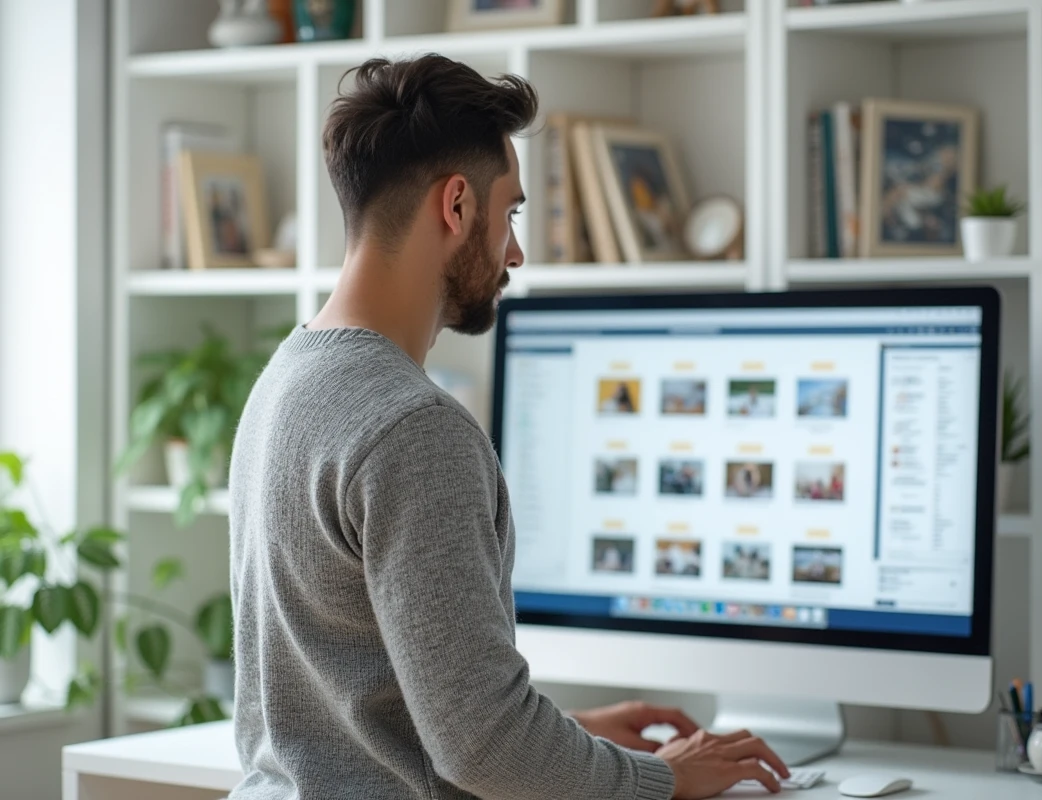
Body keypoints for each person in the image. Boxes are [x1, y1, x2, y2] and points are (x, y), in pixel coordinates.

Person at [227, 54, 788, 800]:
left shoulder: (286, 380)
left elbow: (372, 708)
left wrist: (570, 735)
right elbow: (484, 749)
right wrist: (661, 779)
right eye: (511, 212)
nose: (515, 251)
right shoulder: (413, 429)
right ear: (457, 206)